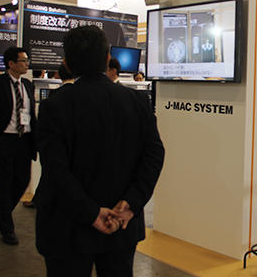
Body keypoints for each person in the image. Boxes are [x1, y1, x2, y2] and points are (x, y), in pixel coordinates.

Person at [34, 26, 165, 276]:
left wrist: (91, 213)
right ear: (107, 58)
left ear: (66, 63)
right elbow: (154, 155)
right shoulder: (137, 102)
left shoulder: (55, 106)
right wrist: (131, 203)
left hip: (67, 226)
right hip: (121, 223)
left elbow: (55, 169)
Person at [0, 47, 37, 245]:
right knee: (3, 185)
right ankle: (7, 229)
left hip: (24, 141)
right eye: (23, 61)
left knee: (22, 180)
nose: (26, 64)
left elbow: (31, 115)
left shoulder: (27, 85)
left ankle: (3, 211)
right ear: (11, 64)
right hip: (4, 140)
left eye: (27, 60)